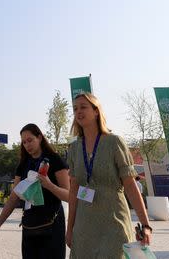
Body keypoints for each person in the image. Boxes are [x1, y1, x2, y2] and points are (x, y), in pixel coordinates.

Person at [65, 93, 152, 256]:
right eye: (75, 108)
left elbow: (131, 186)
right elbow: (73, 192)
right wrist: (70, 229)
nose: (78, 112)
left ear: (96, 111)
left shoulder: (114, 142)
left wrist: (146, 225)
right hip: (84, 227)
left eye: (83, 107)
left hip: (114, 223)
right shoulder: (74, 148)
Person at [0, 123, 70, 258]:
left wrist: (50, 185)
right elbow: (14, 198)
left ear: (40, 137)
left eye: (30, 140)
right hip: (30, 226)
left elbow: (69, 195)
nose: (27, 145)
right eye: (24, 142)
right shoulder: (23, 165)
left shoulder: (55, 160)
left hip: (52, 225)